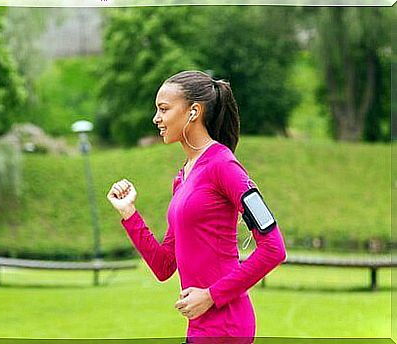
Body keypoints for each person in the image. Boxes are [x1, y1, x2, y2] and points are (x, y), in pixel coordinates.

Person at [107, 70, 287, 343]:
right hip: (201, 328)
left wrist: (211, 296)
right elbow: (164, 265)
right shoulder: (182, 179)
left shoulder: (224, 166)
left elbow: (274, 249)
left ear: (193, 111)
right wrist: (129, 214)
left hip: (226, 325)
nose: (157, 118)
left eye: (164, 109)